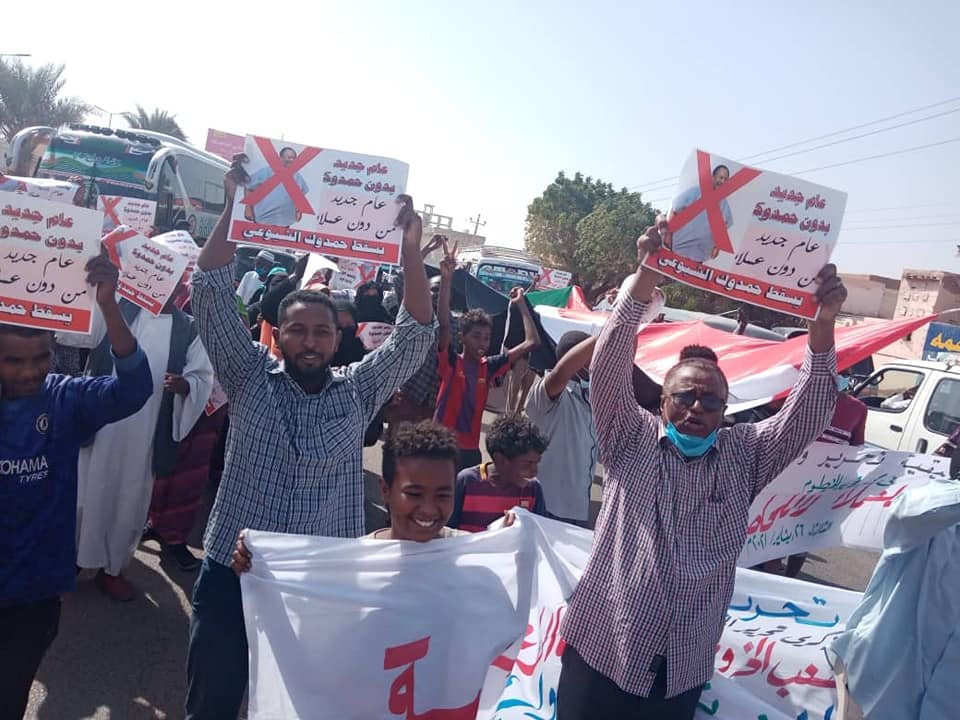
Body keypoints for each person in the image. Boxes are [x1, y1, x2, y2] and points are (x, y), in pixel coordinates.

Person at [556, 220, 846, 720]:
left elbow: (811, 410)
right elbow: (607, 367)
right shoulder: (630, 436)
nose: (696, 407)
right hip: (602, 650)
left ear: (724, 410)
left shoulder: (745, 454)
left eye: (710, 401)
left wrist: (821, 329)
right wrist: (647, 274)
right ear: (663, 400)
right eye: (685, 396)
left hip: (678, 670)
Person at [184, 153, 436, 719]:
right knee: (211, 706)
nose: (310, 341)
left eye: (321, 331)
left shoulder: (358, 390)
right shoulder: (248, 374)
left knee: (303, 709)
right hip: (233, 573)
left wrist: (410, 250)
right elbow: (209, 291)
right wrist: (233, 207)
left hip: (321, 586)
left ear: (337, 339)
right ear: (279, 334)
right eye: (297, 329)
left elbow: (416, 334)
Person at [0, 254, 153, 717]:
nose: (30, 371)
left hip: (34, 591)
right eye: (13, 361)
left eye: (40, 358)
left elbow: (134, 390)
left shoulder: (64, 398)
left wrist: (108, 306)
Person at [60, 284, 215, 601]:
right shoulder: (116, 307)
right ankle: (70, 561)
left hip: (146, 431)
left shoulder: (189, 329)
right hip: (101, 422)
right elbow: (78, 334)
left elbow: (202, 376)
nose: (164, 286)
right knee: (83, 493)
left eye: (173, 280)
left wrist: (186, 385)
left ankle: (112, 569)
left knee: (129, 500)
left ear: (181, 286)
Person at [436, 246, 540, 471]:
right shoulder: (452, 362)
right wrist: (446, 279)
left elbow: (532, 342)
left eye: (486, 338)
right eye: (476, 337)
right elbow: (444, 324)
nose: (482, 343)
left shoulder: (489, 366)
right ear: (461, 338)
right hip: (440, 448)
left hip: (470, 452)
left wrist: (522, 305)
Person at [524, 331, 598, 526]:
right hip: (547, 507)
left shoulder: (591, 398)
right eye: (594, 356)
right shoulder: (548, 392)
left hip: (578, 509)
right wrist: (603, 335)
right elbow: (560, 374)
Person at [143, 404, 228, 572]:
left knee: (190, 475)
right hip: (165, 402)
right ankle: (154, 521)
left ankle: (175, 537)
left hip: (205, 409)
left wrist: (192, 389)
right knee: (158, 466)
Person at [448, 414, 550, 533]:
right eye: (528, 463)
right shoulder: (467, 482)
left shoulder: (533, 489)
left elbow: (539, 532)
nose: (535, 471)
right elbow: (448, 531)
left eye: (537, 462)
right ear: (500, 460)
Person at [664, 164, 734, 263]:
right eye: (720, 177)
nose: (722, 181)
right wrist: (668, 235)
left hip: (700, 256)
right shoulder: (695, 192)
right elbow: (675, 210)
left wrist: (716, 247)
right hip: (679, 248)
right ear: (713, 177)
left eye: (725, 179)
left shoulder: (724, 204)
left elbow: (723, 228)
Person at [243, 146, 309, 227]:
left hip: (285, 223)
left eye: (293, 158)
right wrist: (248, 209)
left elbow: (301, 195)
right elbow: (249, 187)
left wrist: (299, 212)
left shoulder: (297, 177)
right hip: (264, 221)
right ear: (280, 158)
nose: (291, 160)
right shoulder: (266, 172)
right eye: (289, 157)